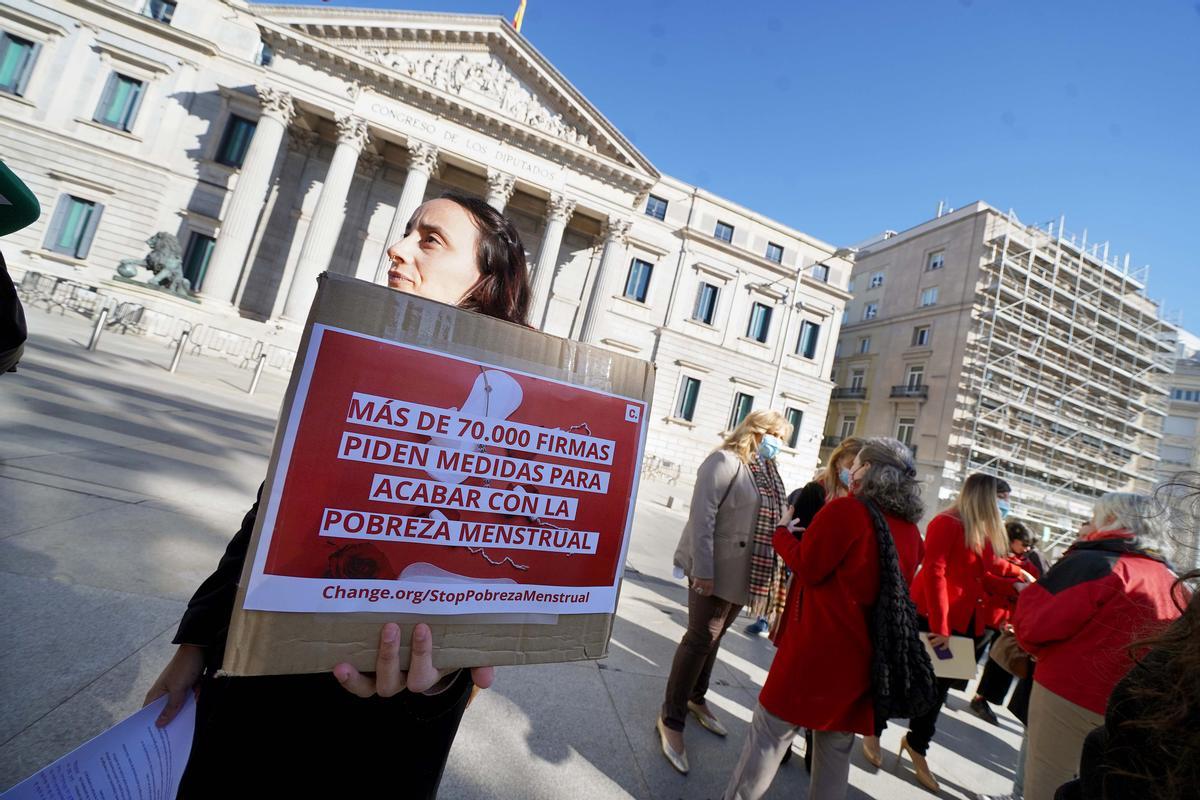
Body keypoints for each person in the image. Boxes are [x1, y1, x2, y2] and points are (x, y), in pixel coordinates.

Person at [143, 193, 529, 798]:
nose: (396, 249)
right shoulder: (352, 369)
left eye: (430, 240)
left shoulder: (518, 421)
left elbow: (488, 576)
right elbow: (265, 517)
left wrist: (437, 681)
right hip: (254, 690)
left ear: (485, 283)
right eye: (404, 232)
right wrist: (193, 645)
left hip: (377, 731)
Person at [723, 437, 925, 800]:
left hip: (814, 650)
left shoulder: (847, 511)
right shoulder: (912, 534)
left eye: (858, 463)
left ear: (869, 471)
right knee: (834, 752)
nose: (853, 470)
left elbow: (808, 567)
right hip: (861, 660)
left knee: (769, 737)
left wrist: (783, 534)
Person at [1013, 492, 1183, 800]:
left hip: (1066, 695)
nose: (1089, 524)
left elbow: (1034, 626)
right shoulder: (1176, 583)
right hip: (1132, 711)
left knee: (1046, 787)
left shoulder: (1095, 562)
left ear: (1112, 520)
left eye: (1094, 516)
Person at [658, 409, 792, 774]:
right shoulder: (724, 460)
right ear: (756, 431)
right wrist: (703, 571)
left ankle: (695, 697)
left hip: (743, 574)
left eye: (784, 437)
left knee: (714, 638)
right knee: (700, 637)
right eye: (776, 435)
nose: (780, 443)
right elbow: (702, 518)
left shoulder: (767, 472)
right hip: (714, 568)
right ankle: (671, 718)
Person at [889, 473, 1032, 792]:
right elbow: (936, 573)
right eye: (1003, 497)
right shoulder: (947, 523)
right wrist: (941, 627)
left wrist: (1015, 581)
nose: (1006, 504)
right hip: (934, 618)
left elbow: (984, 572)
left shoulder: (980, 529)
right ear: (985, 496)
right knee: (909, 679)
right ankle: (873, 727)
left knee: (939, 690)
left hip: (961, 620)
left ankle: (916, 745)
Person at [1057, 566, 1198, 800]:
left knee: (1046, 765)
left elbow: (1046, 620)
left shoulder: (1107, 565)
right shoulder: (1165, 578)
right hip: (1108, 714)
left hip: (1068, 689)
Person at [971, 520, 1044, 725]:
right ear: (1011, 541)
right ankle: (947, 684)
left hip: (1008, 622)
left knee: (999, 664)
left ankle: (982, 698)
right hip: (988, 614)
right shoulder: (997, 558)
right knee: (971, 653)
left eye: (1029, 545)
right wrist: (1013, 585)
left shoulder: (1030, 567)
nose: (1027, 548)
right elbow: (985, 580)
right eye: (1023, 544)